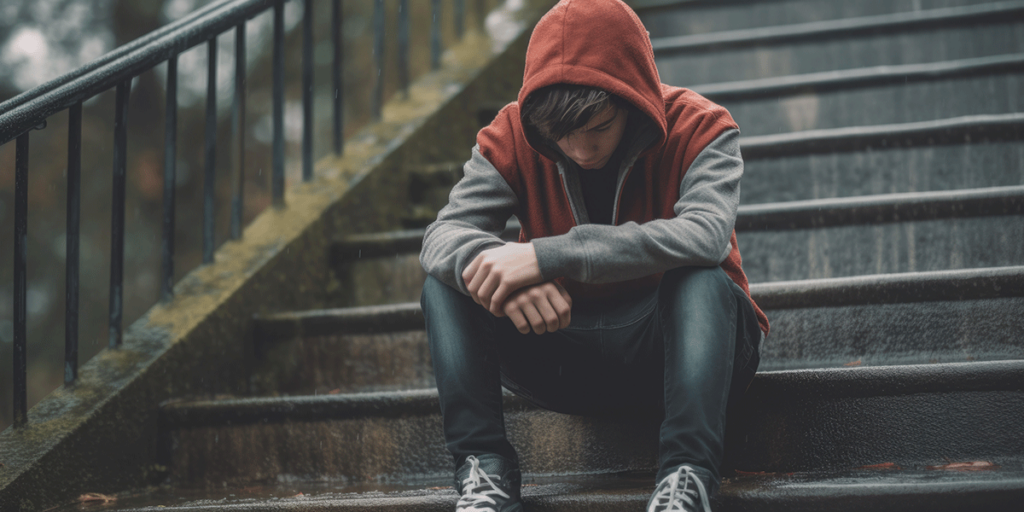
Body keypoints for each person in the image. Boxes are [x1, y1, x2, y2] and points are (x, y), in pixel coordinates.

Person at [419, 0, 769, 510]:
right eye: (561, 136)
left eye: (599, 128)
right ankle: (484, 474)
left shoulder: (702, 127)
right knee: (446, 283)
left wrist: (546, 256)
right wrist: (511, 276)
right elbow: (442, 235)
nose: (581, 150)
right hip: (565, 351)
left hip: (682, 349)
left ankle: (686, 477)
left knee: (700, 277)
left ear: (633, 99)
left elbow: (706, 235)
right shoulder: (512, 134)